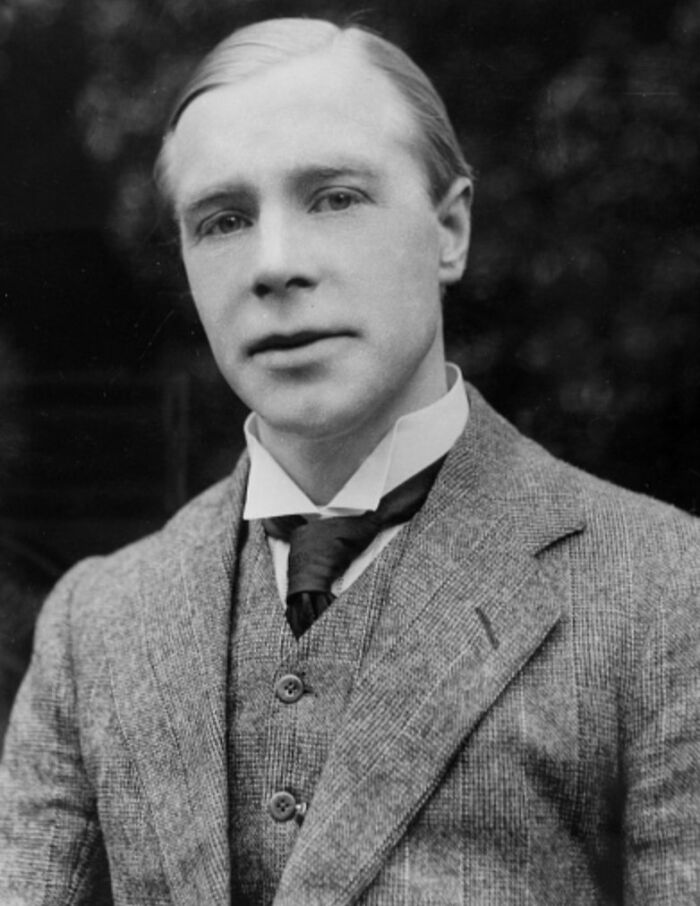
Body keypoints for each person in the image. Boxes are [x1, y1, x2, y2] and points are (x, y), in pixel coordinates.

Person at [1, 16, 698, 906]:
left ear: (450, 230)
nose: (275, 265)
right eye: (223, 220)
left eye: (334, 197)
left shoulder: (665, 590)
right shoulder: (95, 623)